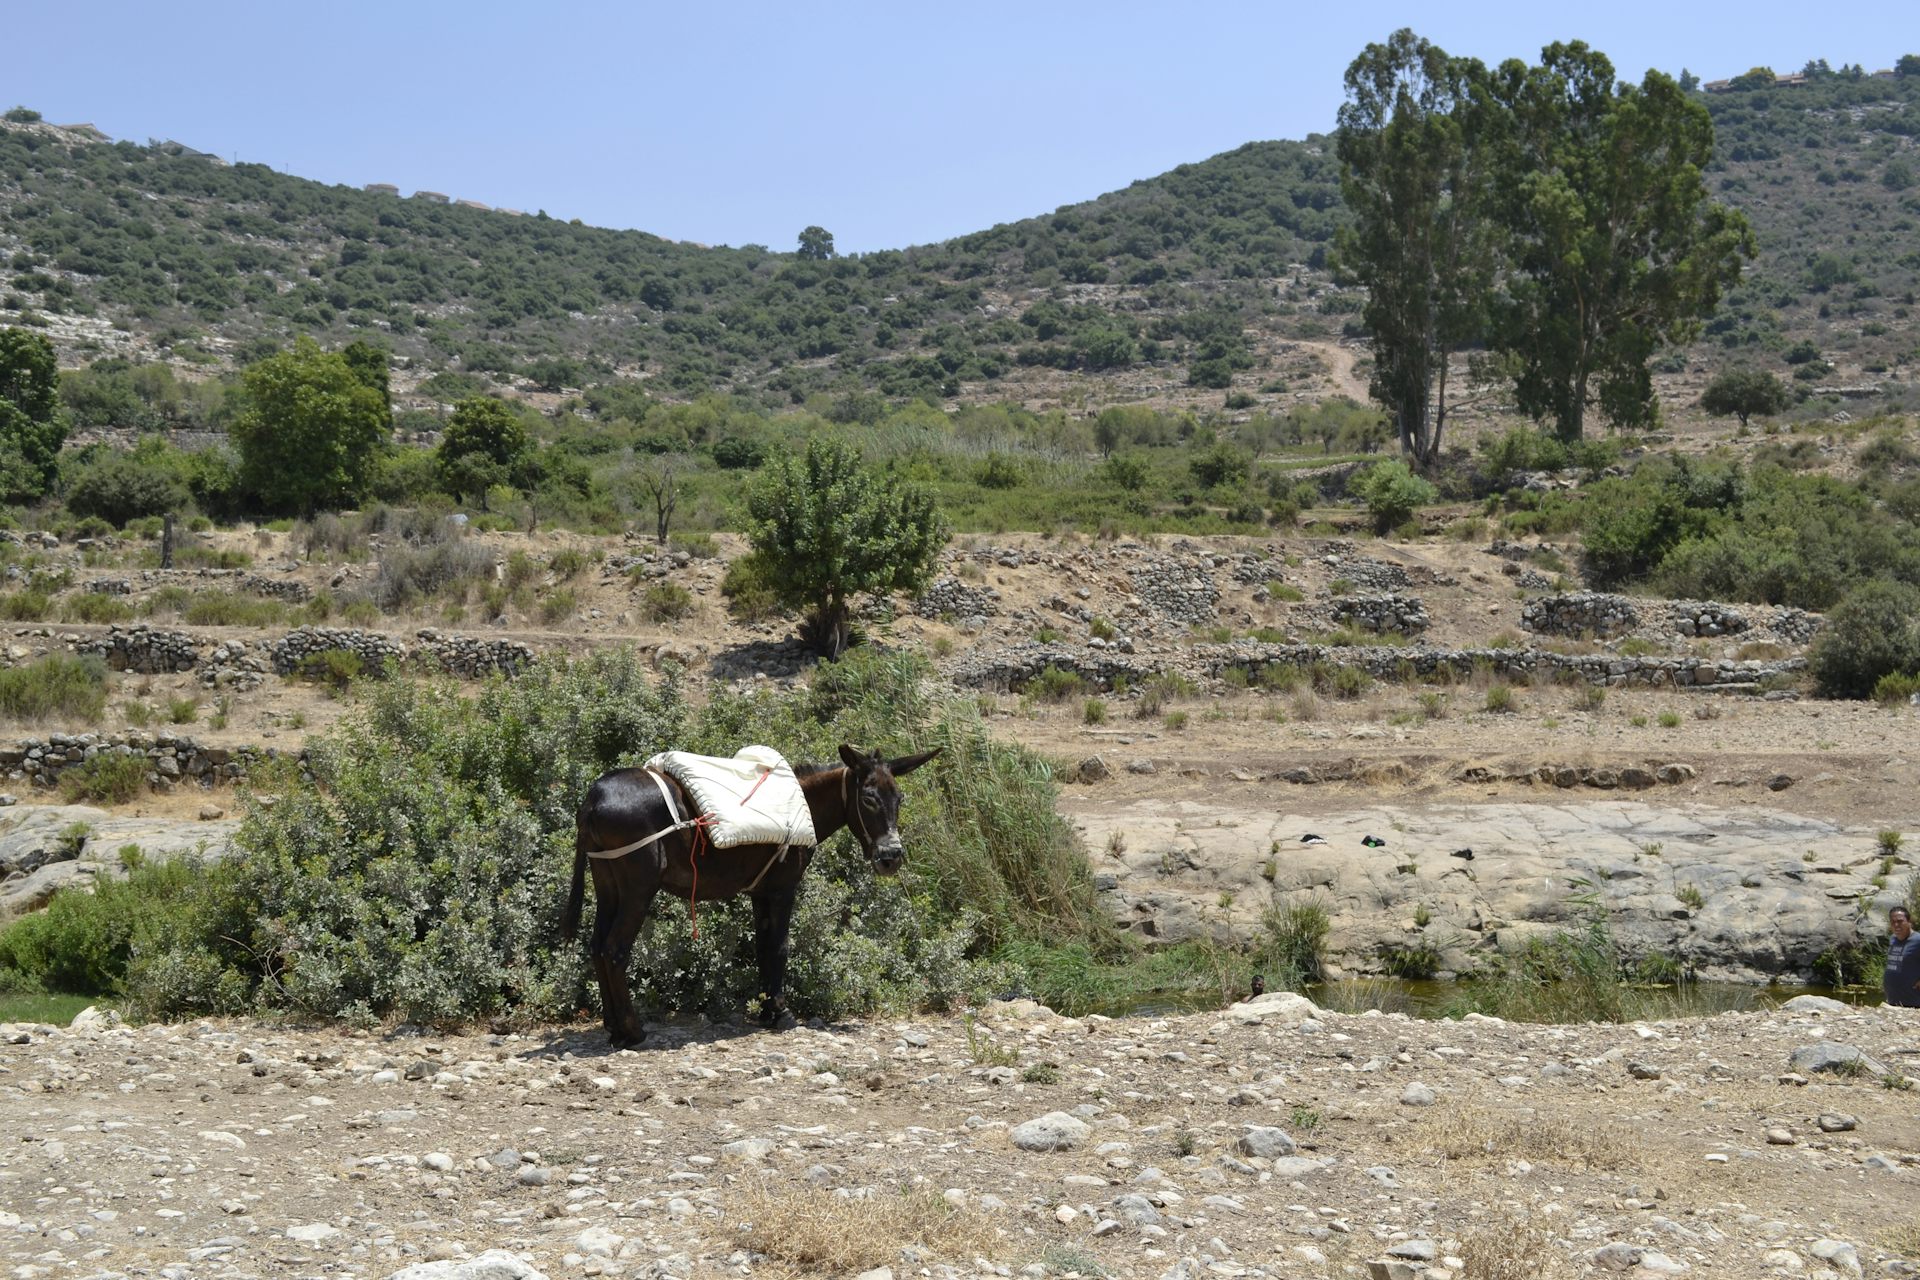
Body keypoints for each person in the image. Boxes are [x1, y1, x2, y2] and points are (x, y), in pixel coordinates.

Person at [1885, 907, 1920, 1008]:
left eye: (1900, 921)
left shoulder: (1918, 940)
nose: (1896, 925)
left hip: (1914, 1004)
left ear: (1909, 922)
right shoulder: (1892, 939)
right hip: (1892, 1001)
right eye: (1893, 922)